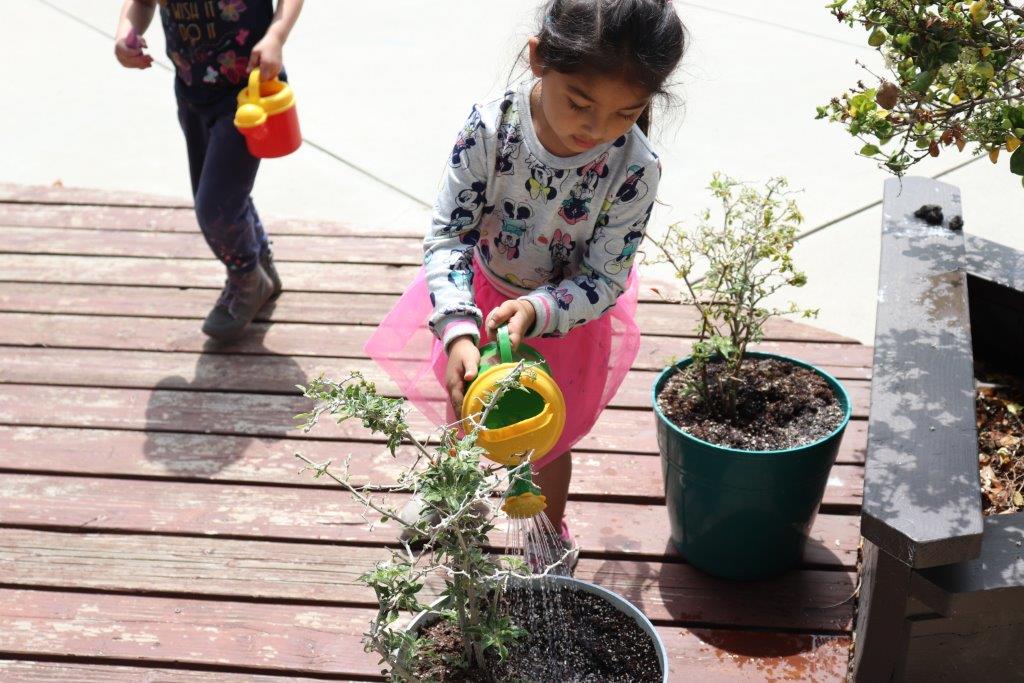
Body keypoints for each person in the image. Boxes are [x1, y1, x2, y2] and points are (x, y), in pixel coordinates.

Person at [366, 0, 685, 570]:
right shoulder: (492, 128)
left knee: (546, 437)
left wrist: (538, 310)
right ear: (539, 59)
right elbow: (448, 238)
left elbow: (607, 277)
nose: (595, 128)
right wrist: (460, 330)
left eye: (624, 113)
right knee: (466, 406)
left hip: (564, 322)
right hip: (478, 296)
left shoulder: (635, 167)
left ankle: (545, 536)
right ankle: (453, 499)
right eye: (579, 103)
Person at [114, 0, 304, 340]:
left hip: (247, 93)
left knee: (215, 206)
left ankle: (246, 276)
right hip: (192, 93)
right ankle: (261, 261)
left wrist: (276, 34)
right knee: (219, 193)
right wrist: (126, 32)